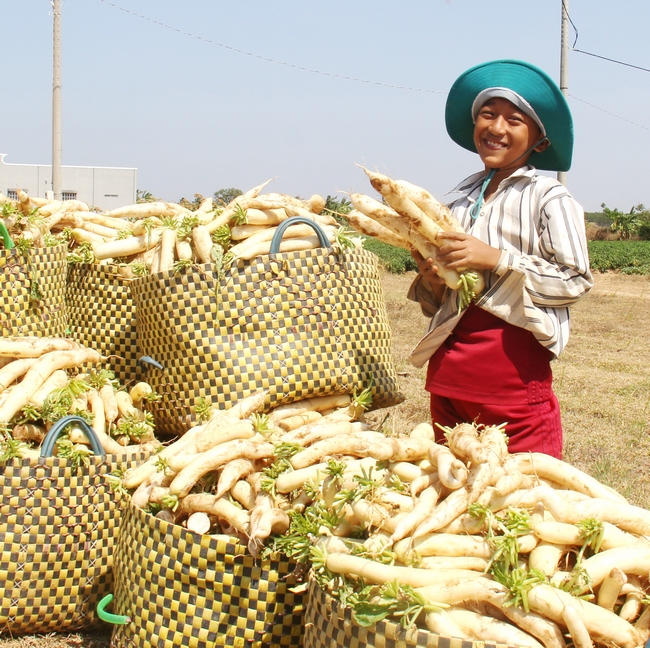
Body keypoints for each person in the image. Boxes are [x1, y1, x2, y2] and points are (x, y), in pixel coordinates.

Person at [407, 59, 593, 458]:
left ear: (539, 141)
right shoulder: (457, 200)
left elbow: (575, 280)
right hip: (448, 379)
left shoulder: (549, 197)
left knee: (526, 497)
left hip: (511, 381)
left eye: (514, 120)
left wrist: (496, 259)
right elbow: (436, 304)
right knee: (455, 494)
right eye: (488, 115)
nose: (496, 127)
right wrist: (435, 279)